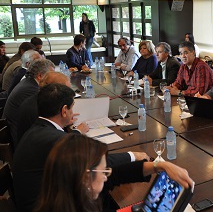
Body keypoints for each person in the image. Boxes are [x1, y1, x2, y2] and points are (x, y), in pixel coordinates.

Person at [12, 83, 179, 212]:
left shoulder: (38, 130)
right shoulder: (55, 141)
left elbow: (109, 175)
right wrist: (133, 155)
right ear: (64, 110)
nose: (105, 176)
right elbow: (103, 168)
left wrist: (157, 165)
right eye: (72, 108)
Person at [34, 134, 193, 212]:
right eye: (104, 171)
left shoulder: (66, 193)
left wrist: (161, 165)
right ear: (86, 177)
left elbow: (116, 174)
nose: (106, 176)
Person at [2, 59, 55, 147]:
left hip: (18, 131)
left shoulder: (29, 82)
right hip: (20, 140)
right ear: (40, 76)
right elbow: (46, 114)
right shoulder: (31, 90)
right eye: (51, 75)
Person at [17, 72, 71, 143]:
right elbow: (54, 139)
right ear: (54, 90)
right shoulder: (37, 108)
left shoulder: (37, 100)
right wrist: (76, 131)